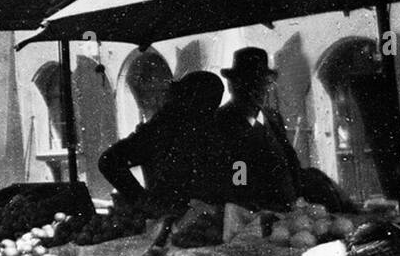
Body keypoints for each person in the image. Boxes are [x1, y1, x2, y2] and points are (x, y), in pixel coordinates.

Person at [99, 71, 224, 216]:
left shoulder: (212, 130)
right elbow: (109, 161)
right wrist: (144, 201)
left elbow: (237, 169)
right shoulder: (161, 128)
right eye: (206, 104)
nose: (207, 112)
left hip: (199, 222)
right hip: (168, 220)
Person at [211, 47, 303, 211]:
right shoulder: (222, 120)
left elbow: (289, 159)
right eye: (251, 82)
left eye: (263, 82)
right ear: (234, 85)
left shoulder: (272, 117)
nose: (259, 89)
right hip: (254, 214)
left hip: (288, 211)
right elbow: (236, 170)